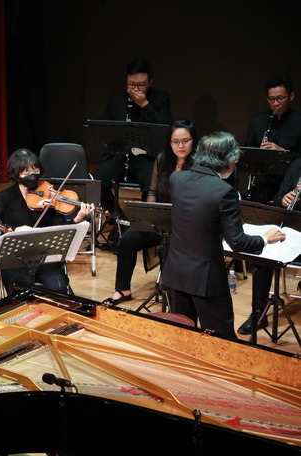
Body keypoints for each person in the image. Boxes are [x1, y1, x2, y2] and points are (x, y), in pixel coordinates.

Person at [162, 132, 285, 338]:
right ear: (226, 160)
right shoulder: (224, 192)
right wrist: (265, 238)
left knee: (183, 337)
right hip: (206, 280)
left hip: (176, 274)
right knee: (221, 341)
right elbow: (237, 242)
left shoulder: (177, 179)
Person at [103, 118, 197, 305]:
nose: (180, 146)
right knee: (128, 239)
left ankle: (176, 296)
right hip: (162, 221)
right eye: (175, 141)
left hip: (187, 227)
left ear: (194, 141)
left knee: (172, 248)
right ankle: (123, 290)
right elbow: (152, 191)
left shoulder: (199, 164)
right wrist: (148, 217)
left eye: (185, 141)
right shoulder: (163, 159)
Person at [0, 148, 94, 296]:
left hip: (44, 257)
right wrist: (14, 229)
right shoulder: (6, 196)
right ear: (16, 174)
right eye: (26, 173)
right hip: (15, 259)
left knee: (59, 289)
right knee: (21, 293)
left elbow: (62, 227)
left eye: (35, 171)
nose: (32, 176)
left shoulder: (49, 196)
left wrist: (79, 217)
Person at [92, 58, 172, 216]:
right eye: (131, 84)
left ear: (150, 82)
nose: (135, 89)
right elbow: (105, 127)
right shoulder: (117, 100)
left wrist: (145, 105)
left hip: (146, 157)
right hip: (120, 155)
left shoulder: (160, 98)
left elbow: (166, 128)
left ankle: (142, 224)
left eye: (141, 85)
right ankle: (117, 219)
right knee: (97, 182)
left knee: (152, 185)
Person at [240, 158, 301, 335]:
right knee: (264, 250)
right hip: (292, 231)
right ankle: (258, 313)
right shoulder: (297, 165)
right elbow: (278, 197)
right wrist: (284, 199)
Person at [243, 75, 301, 204]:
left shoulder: (299, 122)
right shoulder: (258, 121)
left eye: (281, 98)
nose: (275, 103)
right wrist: (259, 154)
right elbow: (247, 152)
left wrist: (283, 153)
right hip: (261, 187)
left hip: (287, 189)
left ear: (291, 97)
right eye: (271, 99)